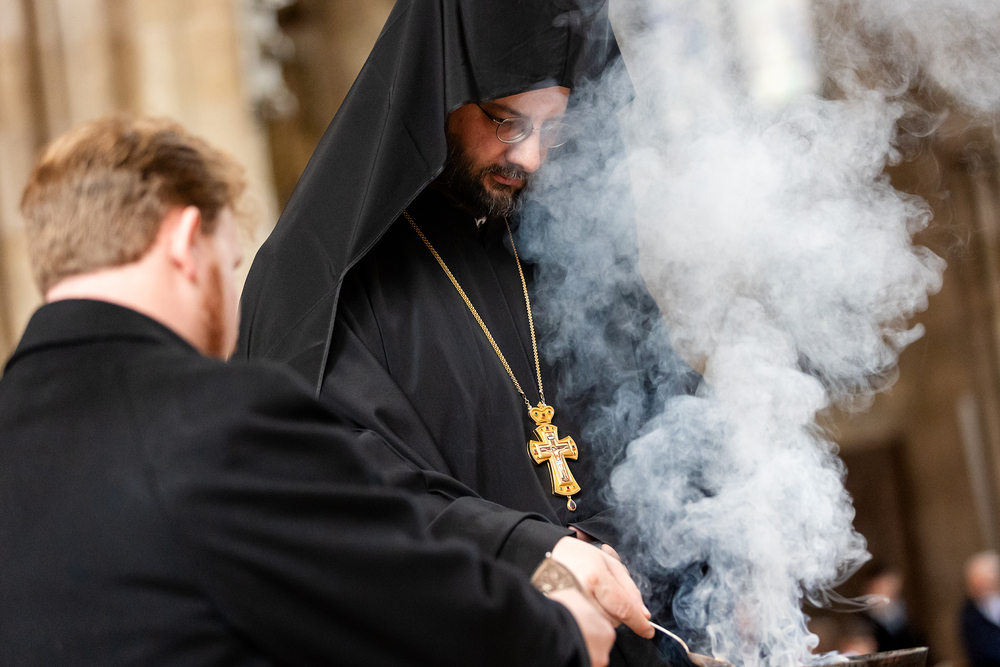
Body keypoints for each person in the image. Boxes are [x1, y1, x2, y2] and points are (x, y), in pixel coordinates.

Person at [0, 115, 619, 667]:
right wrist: (560, 625)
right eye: (229, 265)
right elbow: (395, 594)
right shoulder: (215, 419)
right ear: (186, 242)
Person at [237, 0, 699, 663]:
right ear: (440, 93)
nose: (530, 156)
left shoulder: (571, 252)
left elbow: (676, 426)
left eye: (554, 128)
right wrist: (533, 550)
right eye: (505, 121)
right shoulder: (323, 279)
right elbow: (336, 493)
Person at [961, 550, 1000, 667]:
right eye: (978, 581)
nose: (984, 586)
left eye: (988, 580)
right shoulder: (970, 614)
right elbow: (984, 652)